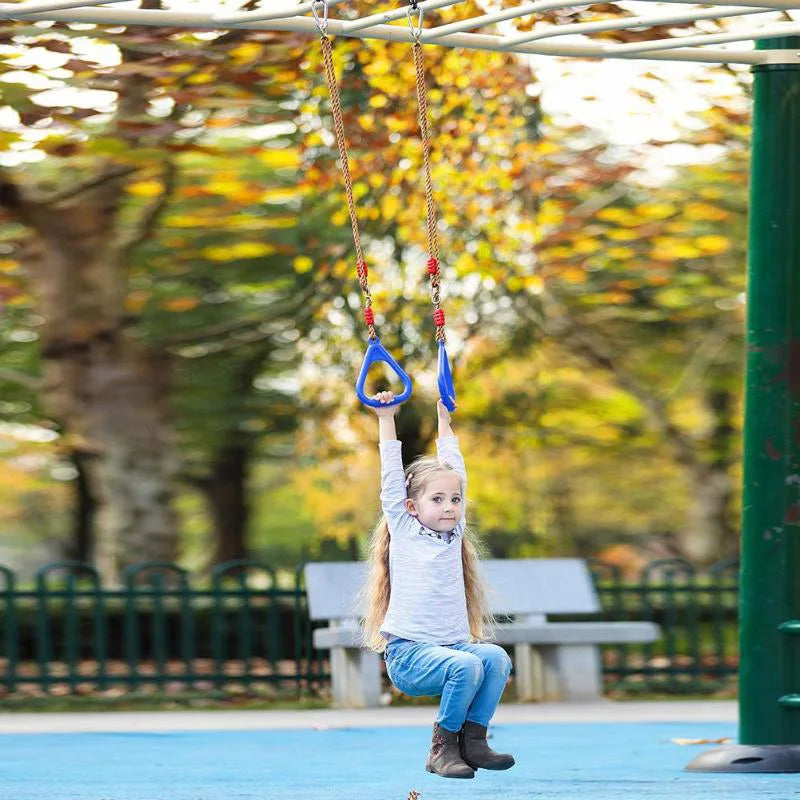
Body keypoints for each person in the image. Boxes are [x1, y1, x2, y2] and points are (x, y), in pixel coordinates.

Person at [361, 390, 515, 779]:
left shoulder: (454, 532)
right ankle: (441, 748)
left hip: (451, 647)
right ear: (412, 507)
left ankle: (473, 743)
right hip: (411, 656)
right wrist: (386, 418)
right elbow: (391, 477)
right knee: (465, 664)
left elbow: (456, 468)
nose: (449, 506)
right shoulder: (405, 528)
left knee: (495, 658)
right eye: (438, 499)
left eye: (455, 499)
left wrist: (445, 422)